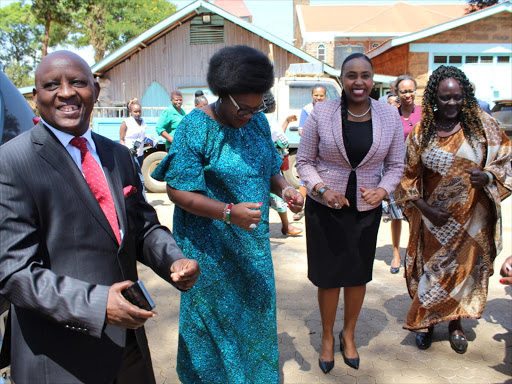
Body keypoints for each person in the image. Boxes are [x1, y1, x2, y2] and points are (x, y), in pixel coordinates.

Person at [0, 51, 200, 384]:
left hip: (128, 347)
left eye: (77, 82)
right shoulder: (12, 162)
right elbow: (15, 273)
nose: (66, 92)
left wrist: (174, 260)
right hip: (60, 356)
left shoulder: (118, 155)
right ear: (36, 98)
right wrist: (96, 305)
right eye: (52, 85)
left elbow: (144, 228)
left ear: (94, 89)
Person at [152, 45, 304, 384]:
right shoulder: (195, 126)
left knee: (255, 313)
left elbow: (268, 171)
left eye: (257, 106)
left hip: (251, 246)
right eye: (243, 107)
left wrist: (287, 191)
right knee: (212, 322)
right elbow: (177, 190)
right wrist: (227, 212)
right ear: (222, 93)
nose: (249, 114)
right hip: (209, 248)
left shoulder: (258, 123)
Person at [296, 53, 404, 373]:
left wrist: (383, 190)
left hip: (366, 209)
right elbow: (304, 162)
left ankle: (349, 334)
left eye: (366, 75)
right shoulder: (322, 112)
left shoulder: (388, 116)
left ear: (373, 80)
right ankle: (327, 337)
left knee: (357, 276)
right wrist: (322, 190)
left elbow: (396, 165)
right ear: (341, 79)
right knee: (329, 278)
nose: (359, 82)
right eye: (352, 75)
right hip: (325, 208)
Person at [395, 65, 512, 354]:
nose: (451, 104)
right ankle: (427, 323)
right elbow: (405, 175)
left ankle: (455, 325)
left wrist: (487, 177)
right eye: (445, 98)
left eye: (457, 97)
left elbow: (506, 159)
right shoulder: (423, 132)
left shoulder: (484, 126)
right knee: (433, 272)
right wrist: (426, 210)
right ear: (434, 97)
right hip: (434, 221)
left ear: (466, 97)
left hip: (473, 220)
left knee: (464, 272)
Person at [385, 75, 422, 275]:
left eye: (410, 90)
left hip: (418, 172)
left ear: (415, 91)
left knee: (416, 214)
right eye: (403, 91)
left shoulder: (425, 114)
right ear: (397, 93)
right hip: (396, 170)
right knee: (396, 214)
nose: (407, 95)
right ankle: (396, 254)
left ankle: (414, 253)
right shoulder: (392, 114)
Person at [263, 91, 303, 237]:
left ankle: (285, 226)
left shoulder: (253, 118)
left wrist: (286, 122)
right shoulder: (268, 119)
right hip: (271, 166)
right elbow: (283, 140)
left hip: (260, 165)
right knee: (279, 197)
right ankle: (286, 226)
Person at [294, 84, 328, 220]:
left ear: (326, 96)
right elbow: (301, 130)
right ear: (312, 96)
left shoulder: (331, 109)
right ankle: (299, 207)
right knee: (306, 178)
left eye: (321, 95)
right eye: (316, 95)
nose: (318, 98)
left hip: (326, 151)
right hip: (310, 150)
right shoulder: (307, 110)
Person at [119, 98, 146, 166]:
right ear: (130, 112)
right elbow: (121, 140)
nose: (138, 114)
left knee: (138, 174)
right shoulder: (126, 123)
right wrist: (127, 150)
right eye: (135, 112)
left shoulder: (143, 122)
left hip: (140, 154)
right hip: (129, 153)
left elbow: (142, 137)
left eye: (139, 111)